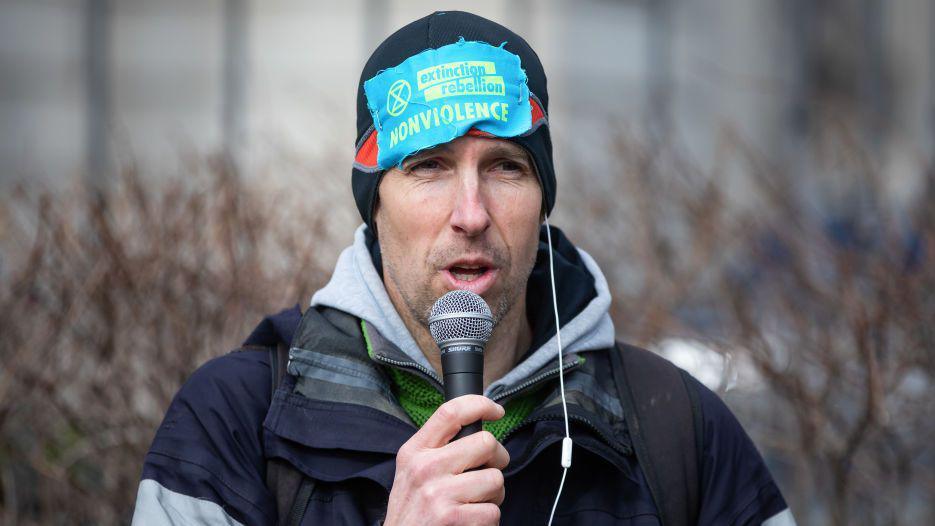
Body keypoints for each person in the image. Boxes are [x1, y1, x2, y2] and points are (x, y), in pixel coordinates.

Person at [132, 11, 795, 526]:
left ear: (542, 198)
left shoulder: (675, 429)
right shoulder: (233, 421)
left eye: (506, 166)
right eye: (428, 167)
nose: (471, 213)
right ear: (374, 204)